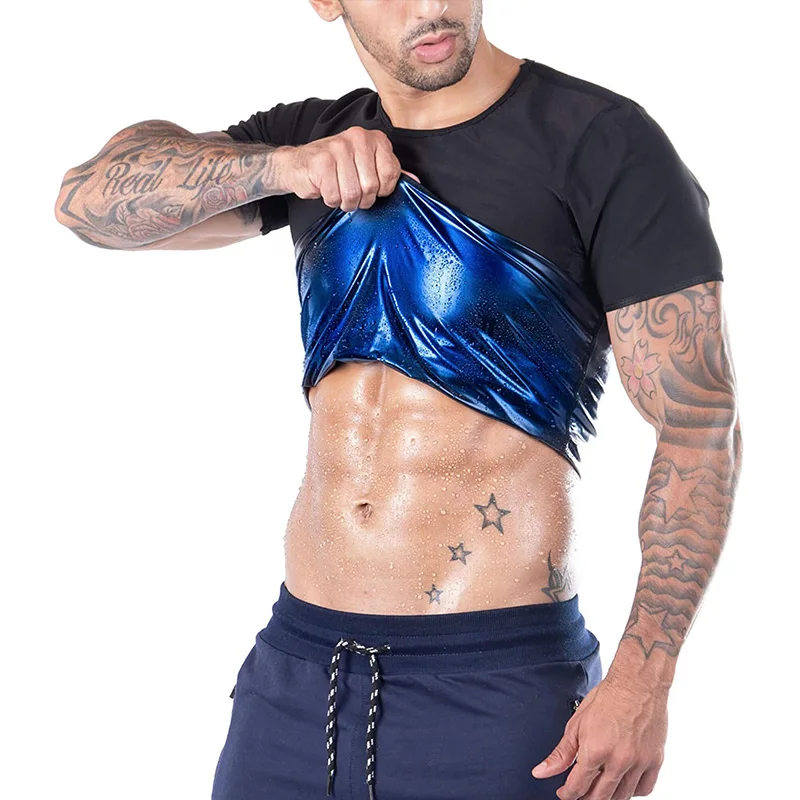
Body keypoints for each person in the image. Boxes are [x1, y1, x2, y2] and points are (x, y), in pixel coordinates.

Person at [54, 2, 743, 798]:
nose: (431, 6)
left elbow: (699, 424)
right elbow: (86, 204)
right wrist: (284, 168)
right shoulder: (310, 140)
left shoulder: (602, 143)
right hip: (296, 676)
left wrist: (643, 681)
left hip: (495, 685)